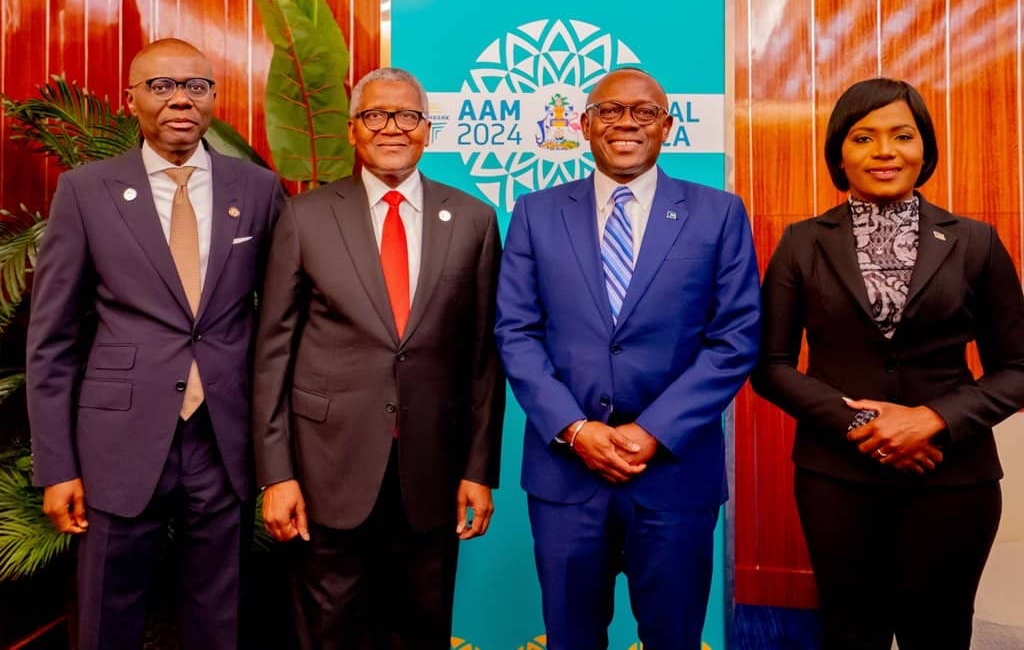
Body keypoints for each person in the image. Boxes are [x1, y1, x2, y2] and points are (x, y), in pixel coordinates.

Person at [27, 38, 284, 649]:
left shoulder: (258, 190)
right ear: (133, 100)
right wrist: (57, 467)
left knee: (218, 616)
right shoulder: (86, 191)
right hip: (117, 442)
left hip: (224, 438)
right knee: (106, 616)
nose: (180, 100)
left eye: (195, 86)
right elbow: (52, 341)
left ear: (214, 99)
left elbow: (278, 327)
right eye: (162, 86)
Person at [752, 78, 1024, 649]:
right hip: (837, 478)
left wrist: (933, 419)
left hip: (952, 476)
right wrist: (860, 424)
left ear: (924, 148)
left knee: (940, 633)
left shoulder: (975, 242)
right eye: (863, 136)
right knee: (851, 632)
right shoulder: (802, 242)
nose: (884, 151)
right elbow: (770, 365)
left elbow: (1017, 368)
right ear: (839, 153)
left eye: (902, 135)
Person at [494, 67, 760, 650]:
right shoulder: (536, 213)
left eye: (643, 113)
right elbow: (516, 332)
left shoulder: (718, 213)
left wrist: (653, 432)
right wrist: (575, 428)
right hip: (566, 476)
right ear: (585, 124)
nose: (626, 124)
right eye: (610, 111)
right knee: (571, 639)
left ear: (668, 126)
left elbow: (735, 338)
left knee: (673, 639)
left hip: (673, 476)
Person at [252, 66, 504, 650]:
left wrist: (477, 469)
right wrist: (277, 474)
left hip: (433, 470)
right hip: (324, 469)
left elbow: (483, 360)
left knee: (421, 628)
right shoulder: (304, 216)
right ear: (352, 130)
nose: (392, 127)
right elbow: (271, 354)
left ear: (426, 130)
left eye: (408, 116)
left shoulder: (473, 219)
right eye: (375, 115)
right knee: (328, 630)